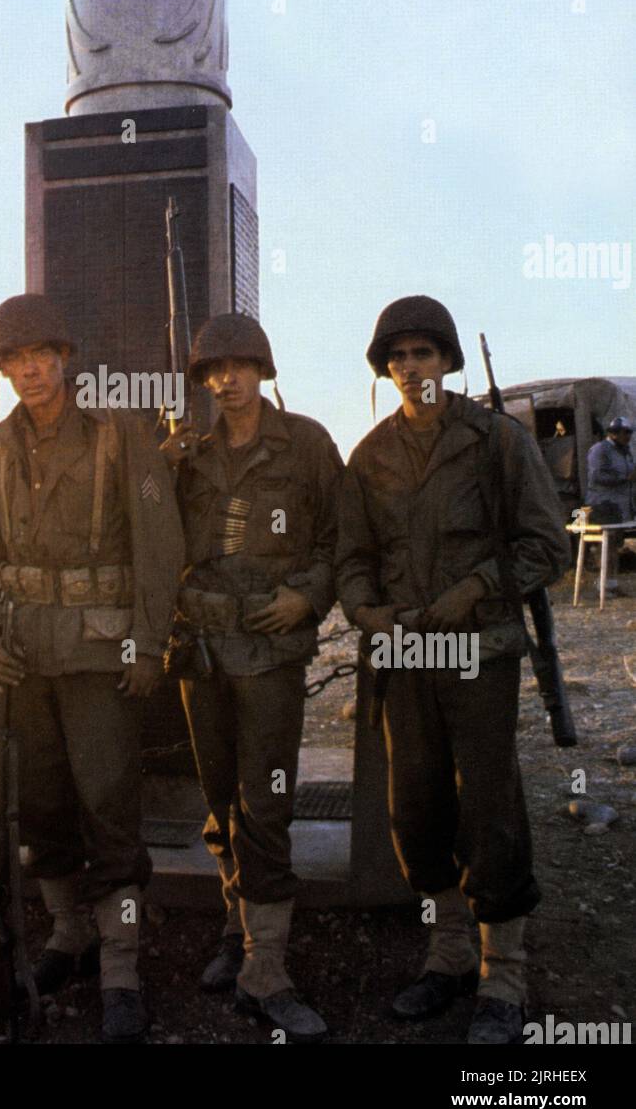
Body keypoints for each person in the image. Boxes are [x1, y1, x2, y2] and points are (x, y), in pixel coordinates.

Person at [335, 297, 571, 1044]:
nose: (409, 368)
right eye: (397, 357)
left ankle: (502, 973)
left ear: (446, 362)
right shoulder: (369, 455)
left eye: (422, 354)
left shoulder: (495, 441)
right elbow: (352, 558)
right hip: (404, 655)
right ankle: (445, 955)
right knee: (416, 809)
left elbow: (546, 547)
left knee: (489, 808)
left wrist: (474, 588)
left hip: (477, 651)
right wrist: (367, 611)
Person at [0, 294, 184, 1043]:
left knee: (109, 803)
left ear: (64, 358)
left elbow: (159, 542)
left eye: (39, 356)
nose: (28, 370)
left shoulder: (120, 435)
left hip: (99, 654)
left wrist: (149, 643)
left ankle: (119, 964)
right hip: (22, 659)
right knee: (40, 806)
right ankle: (66, 936)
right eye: (12, 361)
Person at [161, 314, 343, 1043]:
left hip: (268, 656)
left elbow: (340, 536)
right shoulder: (191, 457)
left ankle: (267, 969)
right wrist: (156, 467)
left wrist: (308, 596)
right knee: (217, 797)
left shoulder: (305, 443)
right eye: (212, 371)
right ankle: (237, 931)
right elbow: (151, 540)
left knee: (264, 803)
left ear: (262, 370)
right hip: (201, 655)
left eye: (237, 367)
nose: (224, 381)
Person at [585, 416, 634, 595]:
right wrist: (624, 479)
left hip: (620, 506)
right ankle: (602, 584)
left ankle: (612, 584)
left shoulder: (625, 451)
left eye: (630, 432)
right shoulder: (600, 450)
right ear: (614, 433)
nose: (628, 436)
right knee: (605, 545)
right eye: (625, 433)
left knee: (614, 545)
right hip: (603, 504)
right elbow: (597, 476)